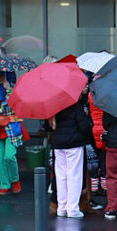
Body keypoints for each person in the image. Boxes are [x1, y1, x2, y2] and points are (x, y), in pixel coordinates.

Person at [49, 87, 93, 218]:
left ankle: (62, 208)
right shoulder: (76, 107)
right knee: (74, 175)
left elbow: (47, 126)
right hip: (74, 144)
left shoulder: (54, 107)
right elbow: (84, 127)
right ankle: (73, 209)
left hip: (58, 144)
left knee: (61, 176)